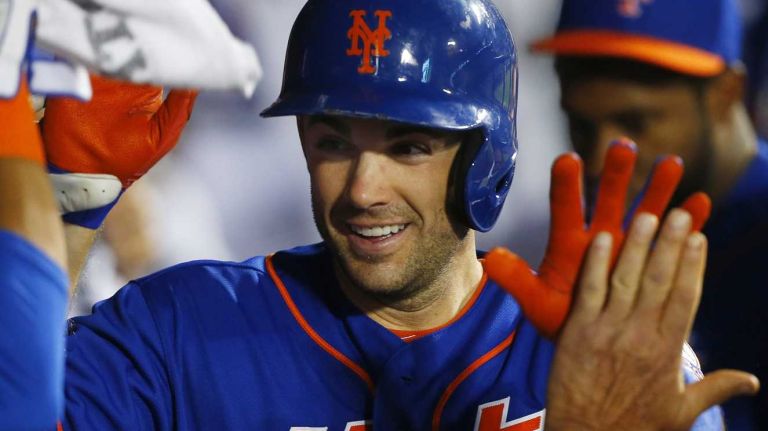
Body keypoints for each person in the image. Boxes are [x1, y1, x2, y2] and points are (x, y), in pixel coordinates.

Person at [0, 0, 759, 429]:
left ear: (484, 157)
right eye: (334, 141)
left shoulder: (598, 351)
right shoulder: (179, 328)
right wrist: (68, 204)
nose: (363, 189)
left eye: (408, 146)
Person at [533, 0, 768, 428]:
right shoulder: (603, 243)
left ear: (726, 93)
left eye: (635, 123)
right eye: (582, 126)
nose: (601, 160)